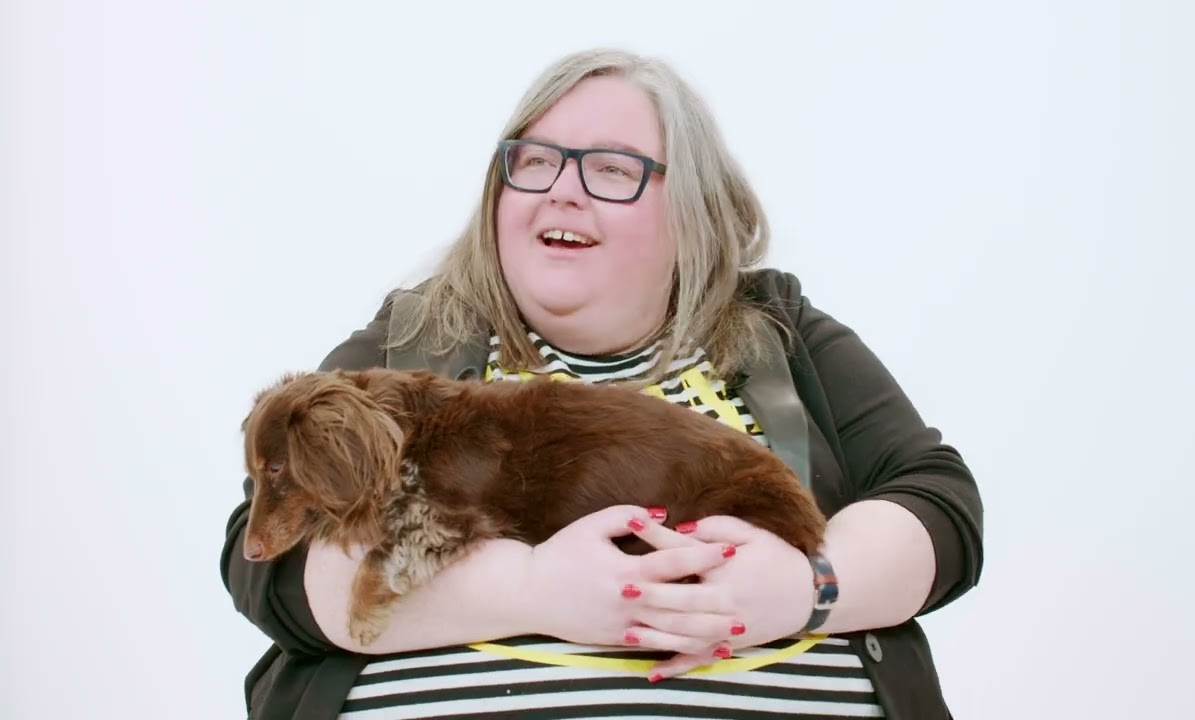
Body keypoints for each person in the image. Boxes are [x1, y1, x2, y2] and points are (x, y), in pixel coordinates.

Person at [221, 47, 983, 720]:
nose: (562, 189)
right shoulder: (415, 341)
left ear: (694, 215)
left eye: (613, 170)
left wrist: (806, 589)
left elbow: (939, 502)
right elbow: (267, 568)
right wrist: (531, 590)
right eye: (536, 161)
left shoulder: (781, 331)